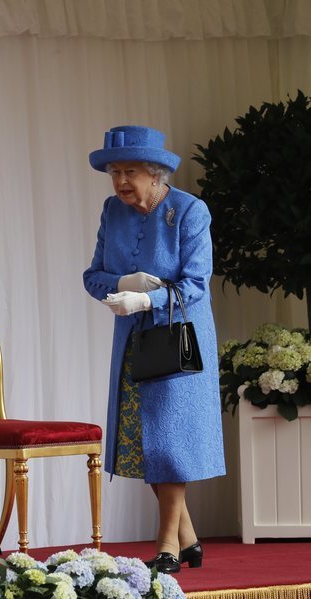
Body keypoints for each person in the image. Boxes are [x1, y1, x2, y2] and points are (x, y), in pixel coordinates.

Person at [82, 125, 226, 574]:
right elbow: (92, 277)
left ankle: (166, 544)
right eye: (115, 172)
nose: (121, 181)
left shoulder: (189, 211)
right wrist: (123, 284)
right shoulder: (112, 210)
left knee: (170, 443)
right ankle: (188, 537)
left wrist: (148, 299)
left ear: (156, 174)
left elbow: (197, 284)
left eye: (130, 172)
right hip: (133, 341)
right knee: (145, 440)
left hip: (178, 340)